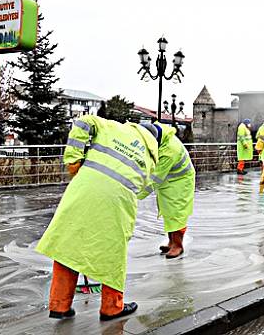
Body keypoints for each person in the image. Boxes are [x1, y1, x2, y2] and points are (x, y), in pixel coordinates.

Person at [36, 115, 160, 321]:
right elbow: (143, 189)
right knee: (112, 253)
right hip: (117, 202)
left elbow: (83, 121)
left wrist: (74, 159)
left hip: (83, 190)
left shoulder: (113, 127)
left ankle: (59, 305)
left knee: (69, 244)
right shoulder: (149, 158)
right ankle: (112, 307)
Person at [141, 122, 195, 259]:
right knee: (168, 212)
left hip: (180, 182)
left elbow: (154, 179)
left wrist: (136, 194)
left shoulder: (170, 150)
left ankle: (178, 246)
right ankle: (171, 242)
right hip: (169, 180)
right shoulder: (161, 138)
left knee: (176, 213)